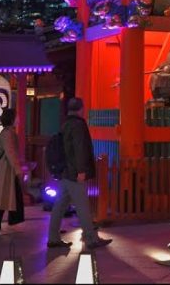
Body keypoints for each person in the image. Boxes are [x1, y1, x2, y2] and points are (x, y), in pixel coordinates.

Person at [47, 98, 112, 250]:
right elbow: (79, 149)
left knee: (60, 205)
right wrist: (81, 170)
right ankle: (91, 239)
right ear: (81, 109)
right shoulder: (78, 125)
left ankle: (53, 237)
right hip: (74, 172)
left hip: (65, 171)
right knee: (83, 206)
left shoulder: (65, 124)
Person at [0, 108, 25, 236]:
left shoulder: (7, 132)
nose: (18, 119)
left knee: (3, 199)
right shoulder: (8, 133)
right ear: (12, 119)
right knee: (1, 199)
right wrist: (18, 170)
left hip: (6, 170)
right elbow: (11, 153)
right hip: (6, 170)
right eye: (16, 117)